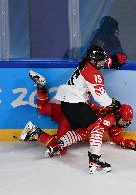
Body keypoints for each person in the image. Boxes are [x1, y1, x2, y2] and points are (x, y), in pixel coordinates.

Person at [20, 71, 136, 157]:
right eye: (124, 120)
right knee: (61, 149)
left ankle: (41, 87)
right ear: (118, 115)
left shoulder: (109, 114)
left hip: (67, 108)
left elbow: (114, 134)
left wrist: (124, 142)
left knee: (43, 108)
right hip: (71, 118)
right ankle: (35, 132)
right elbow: (89, 130)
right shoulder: (109, 118)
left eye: (127, 121)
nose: (125, 123)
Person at [50, 45, 120, 174]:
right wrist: (113, 103)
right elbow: (101, 99)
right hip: (75, 103)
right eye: (100, 60)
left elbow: (103, 61)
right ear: (93, 60)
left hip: (66, 104)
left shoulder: (84, 65)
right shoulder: (93, 73)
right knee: (97, 127)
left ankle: (59, 145)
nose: (102, 62)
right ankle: (95, 162)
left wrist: (113, 61)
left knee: (83, 131)